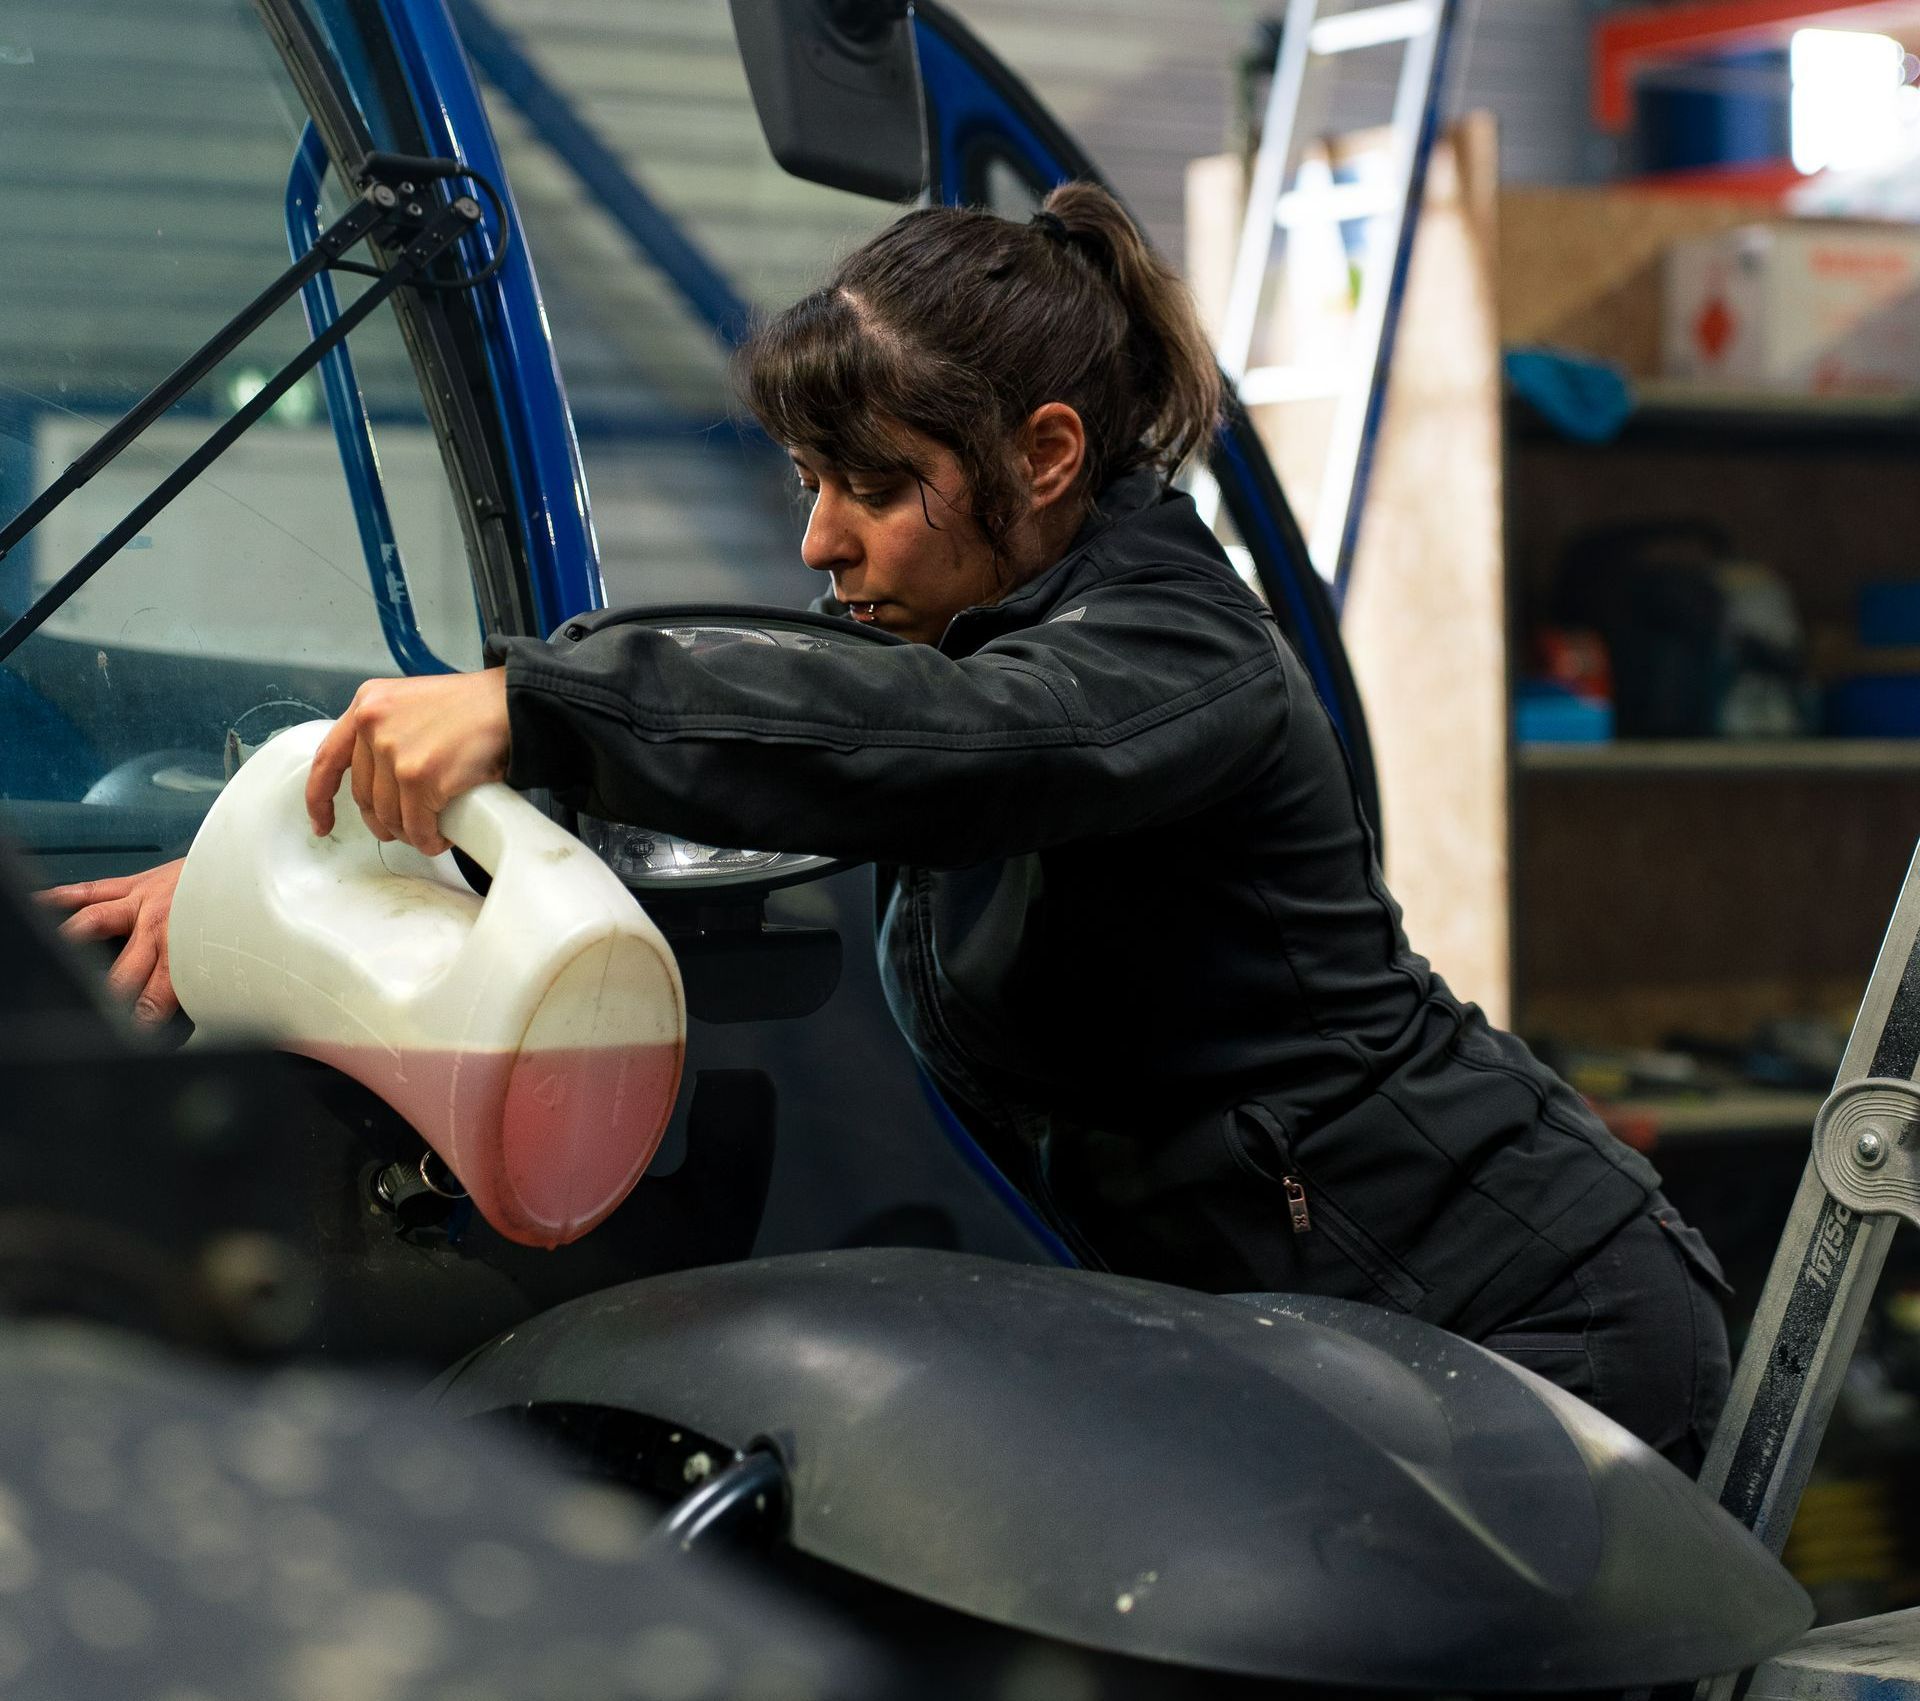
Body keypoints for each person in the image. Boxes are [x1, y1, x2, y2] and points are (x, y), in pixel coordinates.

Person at [41, 183, 1732, 1470]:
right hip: (1345, 1326)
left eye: (872, 486)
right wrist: (294, 868)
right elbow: (722, 773)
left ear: (1046, 455)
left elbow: (909, 743)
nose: (819, 542)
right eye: (808, 483)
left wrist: (533, 700)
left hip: (1533, 1316)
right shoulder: (960, 635)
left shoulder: (1169, 657)